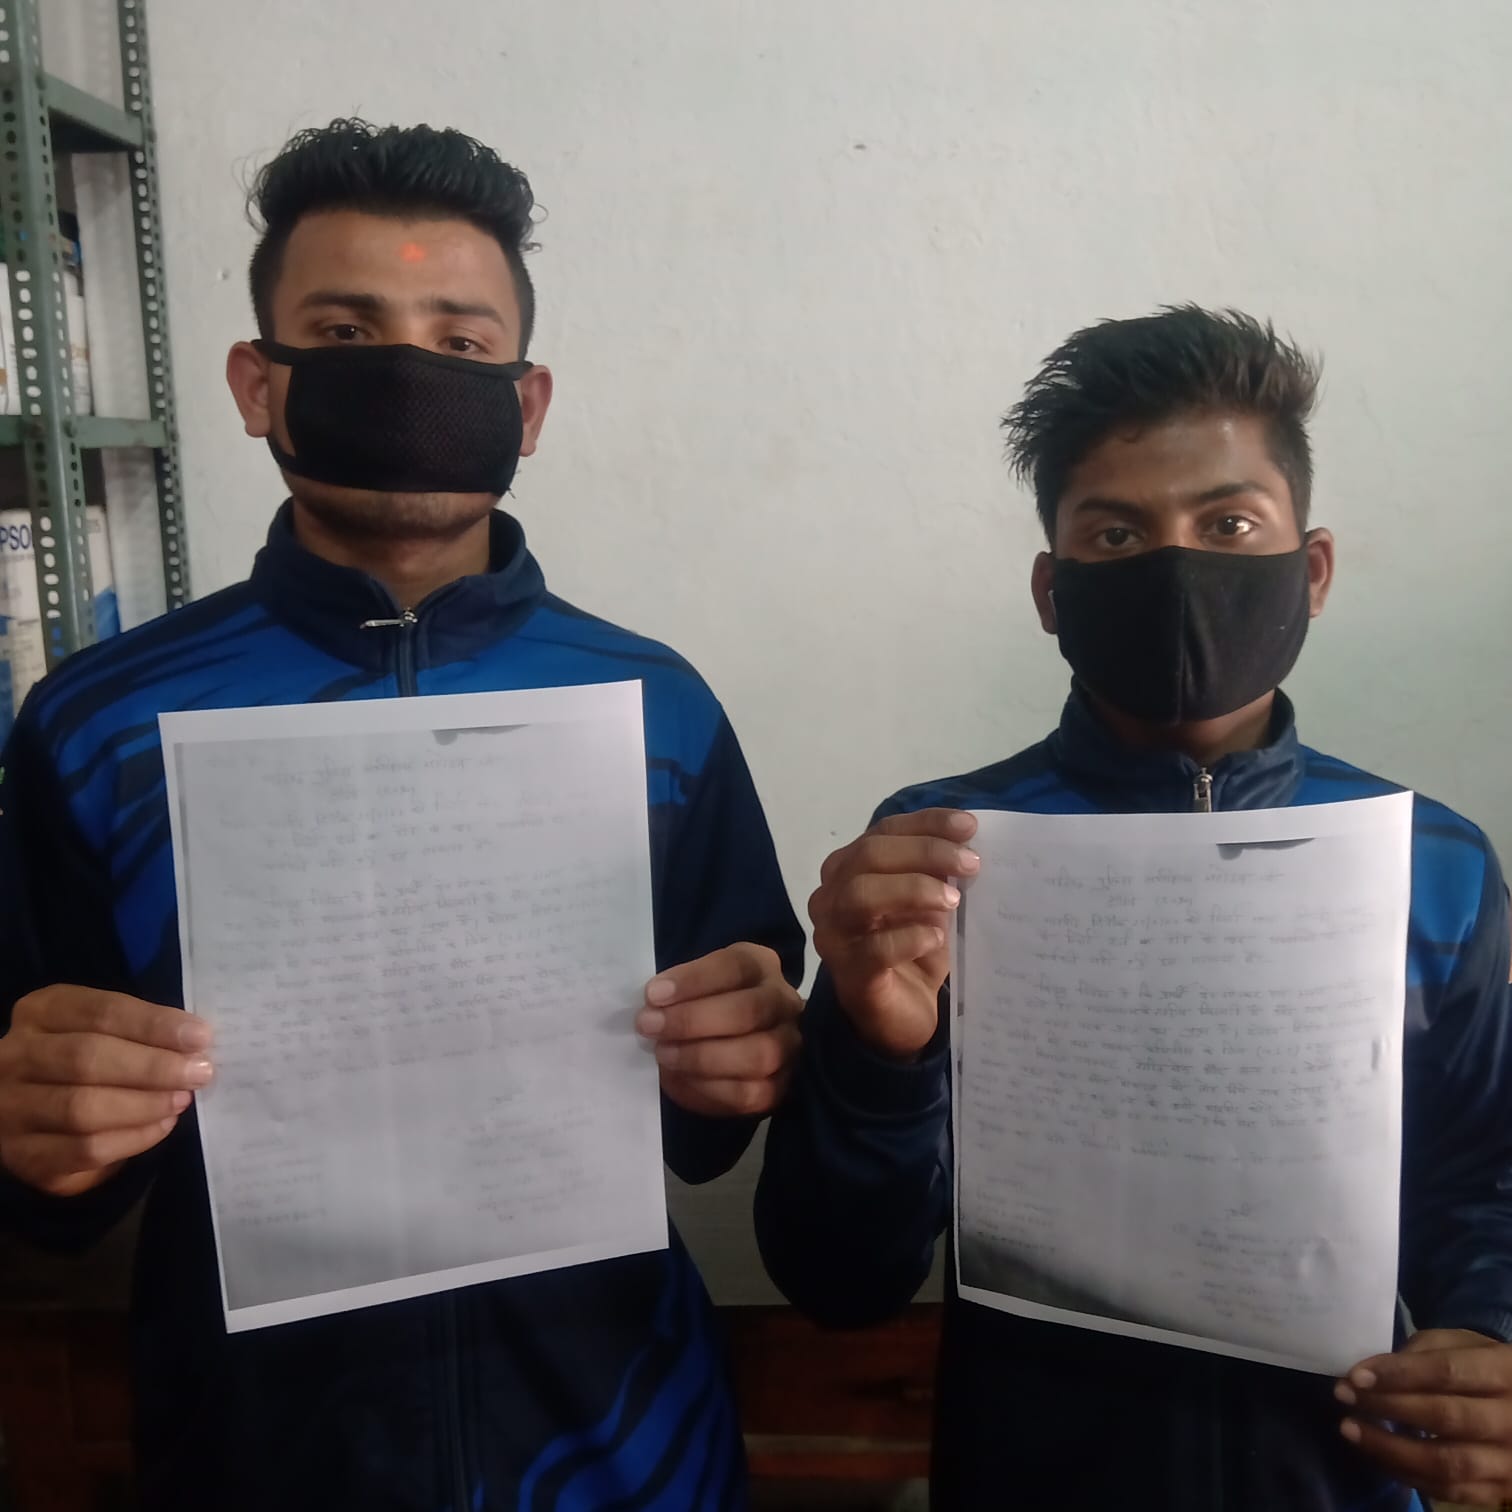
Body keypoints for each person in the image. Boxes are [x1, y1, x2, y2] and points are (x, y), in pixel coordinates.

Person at [0, 120, 804, 1511]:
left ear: (528, 404)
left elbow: (710, 1121)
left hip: (625, 1451)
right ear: (258, 383)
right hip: (260, 1459)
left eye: (459, 338)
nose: (408, 370)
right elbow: (46, 1177)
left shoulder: (657, 709)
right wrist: (29, 1126)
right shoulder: (95, 725)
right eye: (347, 329)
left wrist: (742, 1057)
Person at [755, 306, 1512, 1510]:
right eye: (1116, 534)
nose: (1176, 567)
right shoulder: (937, 857)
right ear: (1053, 590)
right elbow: (837, 1279)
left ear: (1312, 570)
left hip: (1340, 1478)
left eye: (1228, 524)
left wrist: (1488, 1329)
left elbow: (1479, 1178)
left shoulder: (1436, 863)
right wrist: (880, 1054)